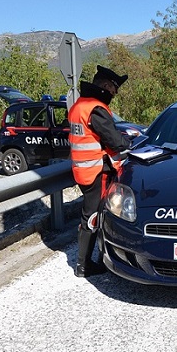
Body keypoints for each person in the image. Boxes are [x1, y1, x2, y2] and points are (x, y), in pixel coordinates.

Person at [68, 65, 133, 277]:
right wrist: (129, 143)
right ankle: (84, 265)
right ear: (106, 86)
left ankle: (85, 261)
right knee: (92, 217)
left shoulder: (79, 105)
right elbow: (114, 141)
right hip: (96, 171)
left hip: (82, 169)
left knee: (90, 214)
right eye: (114, 90)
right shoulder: (96, 108)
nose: (115, 95)